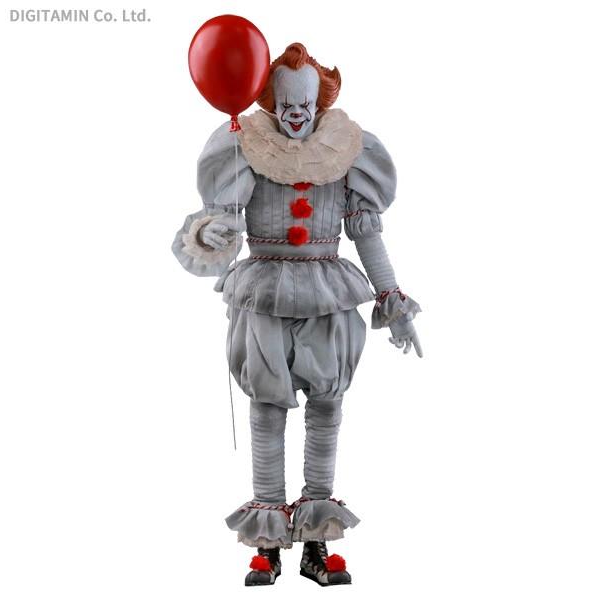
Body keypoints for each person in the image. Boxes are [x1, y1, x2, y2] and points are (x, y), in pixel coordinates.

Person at [172, 42, 423, 587]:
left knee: (327, 406)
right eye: (285, 103)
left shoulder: (347, 151)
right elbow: (221, 218)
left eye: (304, 103)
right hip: (264, 289)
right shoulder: (248, 146)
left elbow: (367, 235)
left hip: (327, 290)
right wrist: (210, 232)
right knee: (266, 408)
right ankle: (267, 541)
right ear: (270, 101)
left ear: (319, 102)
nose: (294, 113)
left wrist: (393, 300)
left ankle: (315, 540)